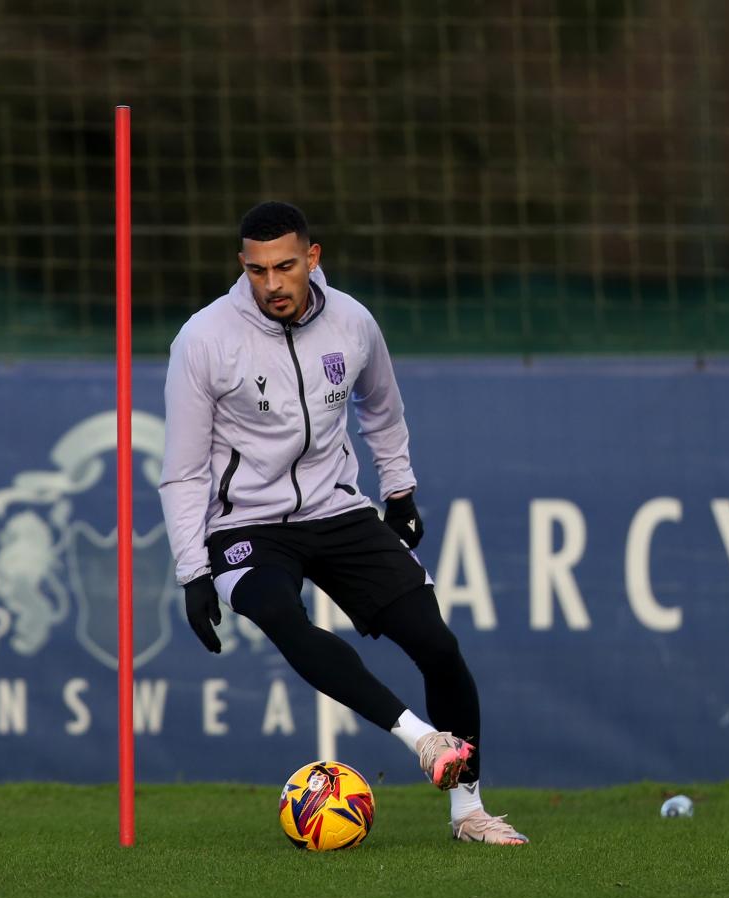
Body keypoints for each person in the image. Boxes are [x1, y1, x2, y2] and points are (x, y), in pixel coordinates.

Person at [158, 201, 528, 845]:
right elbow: (183, 470)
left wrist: (399, 491)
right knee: (283, 617)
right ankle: (421, 739)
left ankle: (468, 812)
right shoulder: (204, 339)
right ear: (242, 266)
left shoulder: (353, 322)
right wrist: (192, 571)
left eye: (285, 267)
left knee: (439, 647)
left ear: (313, 257)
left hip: (337, 507)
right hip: (246, 524)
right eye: (257, 270)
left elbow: (381, 407)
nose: (271, 283)